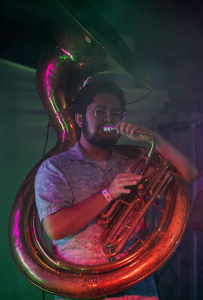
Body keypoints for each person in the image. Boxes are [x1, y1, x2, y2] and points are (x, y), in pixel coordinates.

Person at [35, 80, 198, 300]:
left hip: (137, 290)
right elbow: (55, 229)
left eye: (116, 113)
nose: (109, 118)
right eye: (100, 110)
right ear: (80, 118)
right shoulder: (56, 167)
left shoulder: (132, 164)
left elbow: (188, 172)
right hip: (83, 291)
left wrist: (152, 138)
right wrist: (108, 194)